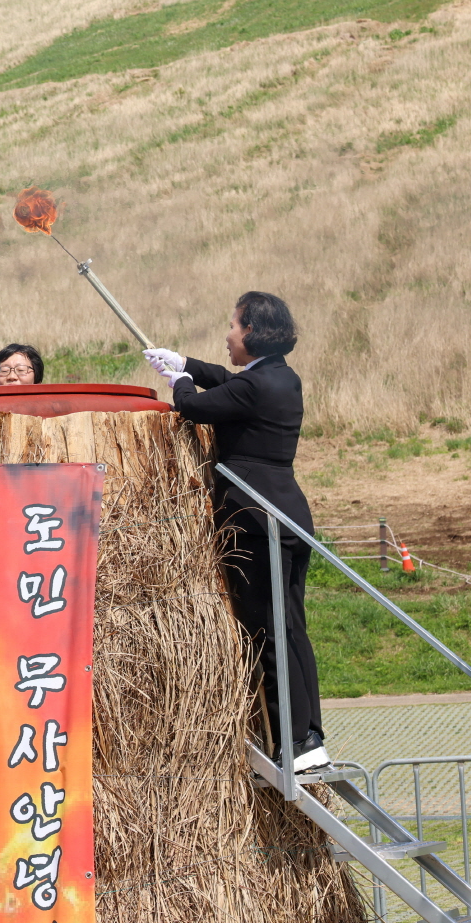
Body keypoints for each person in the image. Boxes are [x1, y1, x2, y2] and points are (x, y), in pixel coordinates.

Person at [144, 291, 328, 773]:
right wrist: (187, 363)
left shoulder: (256, 386)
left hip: (254, 518)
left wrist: (182, 381)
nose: (227, 335)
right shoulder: (280, 378)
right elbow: (230, 382)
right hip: (287, 513)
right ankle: (309, 736)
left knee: (266, 629)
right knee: (291, 626)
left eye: (233, 325)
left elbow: (195, 408)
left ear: (252, 332)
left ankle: (289, 742)